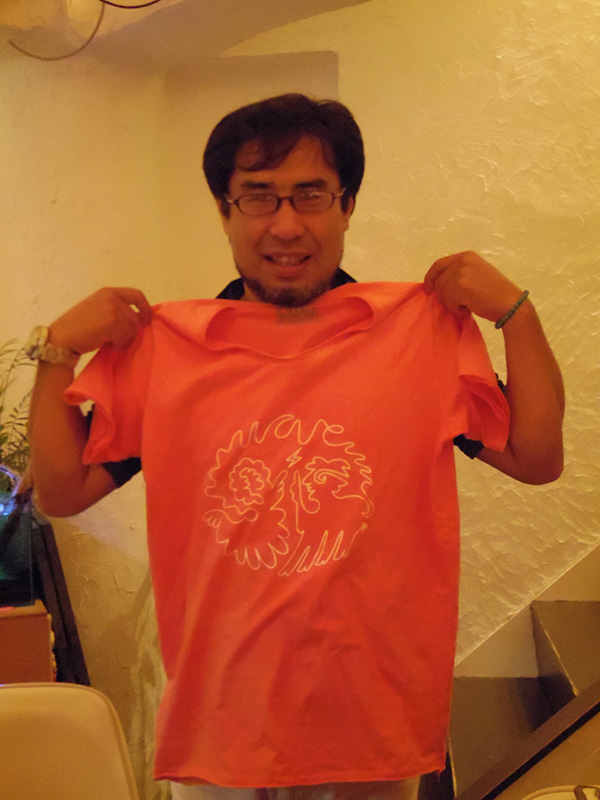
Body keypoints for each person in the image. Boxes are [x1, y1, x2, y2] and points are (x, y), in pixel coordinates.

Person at [27, 94, 564, 800]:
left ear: (347, 205)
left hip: (371, 721)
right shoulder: (170, 353)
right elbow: (63, 492)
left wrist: (516, 314)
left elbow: (536, 459)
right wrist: (58, 352)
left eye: (311, 194)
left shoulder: (415, 338)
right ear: (225, 210)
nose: (286, 224)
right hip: (223, 723)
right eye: (258, 196)